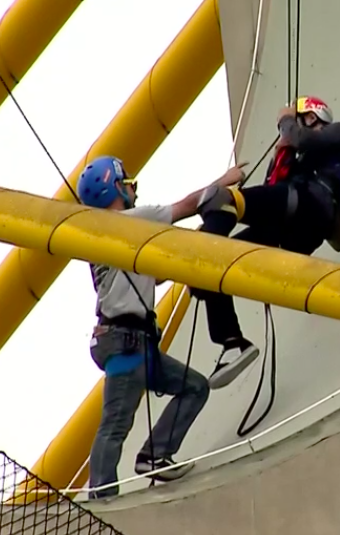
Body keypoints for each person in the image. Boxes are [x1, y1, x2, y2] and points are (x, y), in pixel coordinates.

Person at [80, 155, 246, 498]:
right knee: (115, 423)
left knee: (194, 387)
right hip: (127, 342)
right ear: (113, 188)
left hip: (132, 342)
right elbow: (185, 205)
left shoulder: (100, 240)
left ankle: (156, 454)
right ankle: (101, 497)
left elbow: (149, 277)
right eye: (126, 184)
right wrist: (225, 182)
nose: (133, 190)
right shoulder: (130, 221)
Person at [188, 95, 340, 389]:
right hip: (291, 220)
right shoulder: (293, 154)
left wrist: (286, 121)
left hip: (311, 205)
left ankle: (210, 244)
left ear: (311, 117)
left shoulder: (338, 134)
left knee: (220, 198)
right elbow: (270, 193)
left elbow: (304, 141)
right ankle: (232, 341)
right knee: (205, 271)